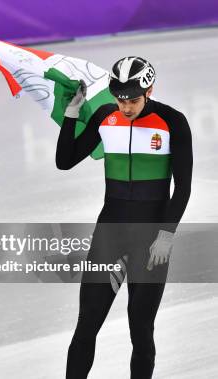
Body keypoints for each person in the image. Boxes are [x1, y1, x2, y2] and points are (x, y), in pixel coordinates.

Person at [56, 56, 193, 378]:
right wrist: (71, 114)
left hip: (151, 241)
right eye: (120, 99)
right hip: (110, 233)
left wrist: (166, 235)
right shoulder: (105, 117)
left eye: (132, 100)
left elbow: (183, 188)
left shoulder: (172, 121)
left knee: (140, 329)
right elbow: (65, 161)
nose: (126, 106)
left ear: (149, 90)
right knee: (87, 323)